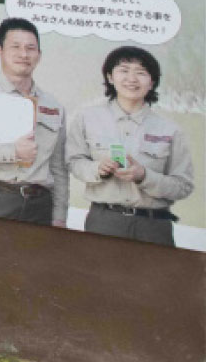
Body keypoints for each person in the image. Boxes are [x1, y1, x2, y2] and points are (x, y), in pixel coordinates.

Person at [67, 46, 194, 246]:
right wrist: (97, 169)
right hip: (104, 222)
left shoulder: (170, 130)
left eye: (141, 73)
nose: (132, 79)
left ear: (152, 82)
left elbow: (182, 186)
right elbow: (74, 162)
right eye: (124, 70)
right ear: (110, 77)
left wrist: (144, 176)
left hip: (153, 226)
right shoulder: (86, 118)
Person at [0, 18, 68, 227]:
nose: (24, 54)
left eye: (30, 48)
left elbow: (58, 169)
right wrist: (13, 152)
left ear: (39, 55)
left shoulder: (54, 106)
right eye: (15, 47)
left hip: (39, 206)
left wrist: (59, 216)